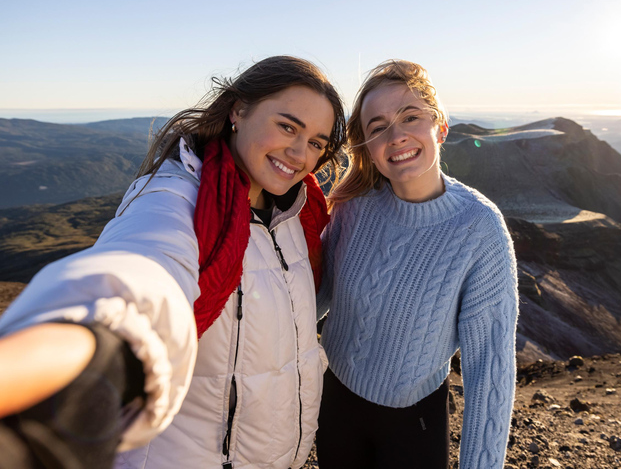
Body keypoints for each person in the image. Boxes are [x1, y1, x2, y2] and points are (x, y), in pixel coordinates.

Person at [0, 55, 346, 469]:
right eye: (287, 126)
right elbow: (147, 266)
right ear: (239, 110)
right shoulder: (176, 198)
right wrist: (96, 342)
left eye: (316, 143)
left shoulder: (298, 215)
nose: (298, 152)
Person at [315, 60, 519, 469]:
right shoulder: (353, 209)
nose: (396, 136)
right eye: (378, 127)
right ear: (369, 149)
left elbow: (489, 370)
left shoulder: (480, 229)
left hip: (413, 422)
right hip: (334, 404)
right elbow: (313, 299)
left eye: (411, 116)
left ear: (439, 127)